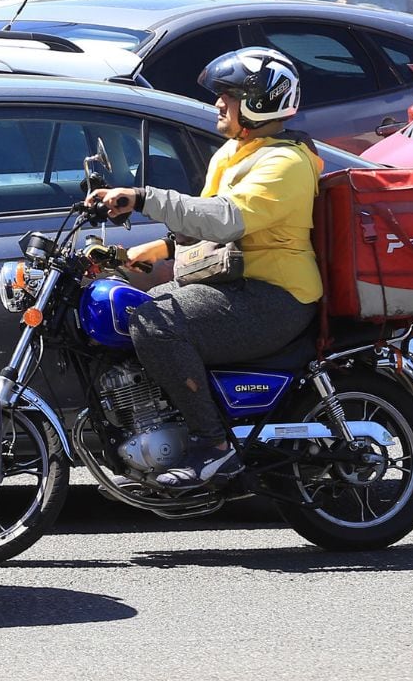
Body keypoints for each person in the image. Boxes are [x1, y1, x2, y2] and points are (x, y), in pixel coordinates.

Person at [86, 48, 322, 490]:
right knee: (139, 305)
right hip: (236, 285)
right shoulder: (234, 153)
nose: (218, 104)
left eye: (229, 95)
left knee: (155, 322)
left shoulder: (285, 162)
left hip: (275, 296)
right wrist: (126, 257)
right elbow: (198, 232)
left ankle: (213, 447)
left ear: (262, 100)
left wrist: (143, 197)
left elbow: (225, 218)